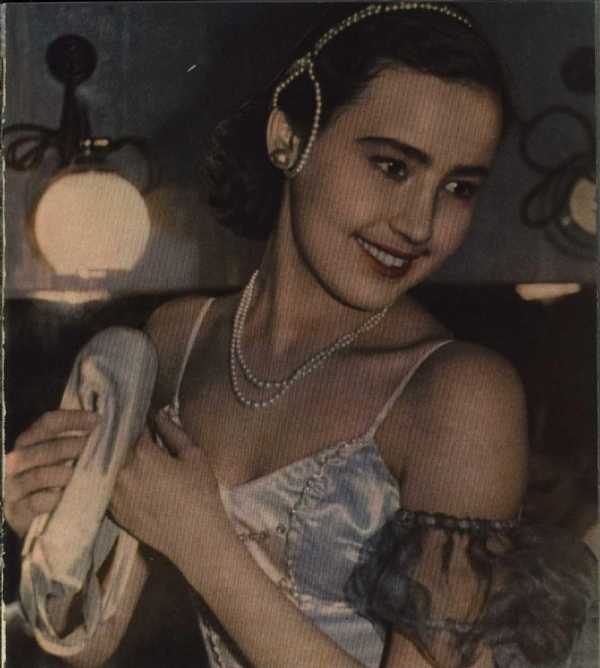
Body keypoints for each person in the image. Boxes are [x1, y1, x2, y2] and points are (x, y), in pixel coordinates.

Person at [5, 3, 596, 667]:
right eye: (393, 167)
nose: (420, 224)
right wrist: (49, 528)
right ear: (288, 136)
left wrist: (203, 545)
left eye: (459, 187)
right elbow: (95, 641)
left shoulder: (460, 394)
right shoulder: (174, 340)